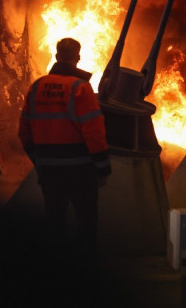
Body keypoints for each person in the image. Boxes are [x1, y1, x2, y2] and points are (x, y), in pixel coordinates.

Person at [18, 37, 111, 255]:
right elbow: (94, 132)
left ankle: (55, 277)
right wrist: (103, 167)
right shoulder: (81, 88)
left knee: (54, 222)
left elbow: (24, 132)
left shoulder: (36, 87)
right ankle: (84, 274)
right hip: (80, 171)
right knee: (86, 223)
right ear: (77, 58)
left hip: (49, 171)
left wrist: (39, 159)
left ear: (57, 56)